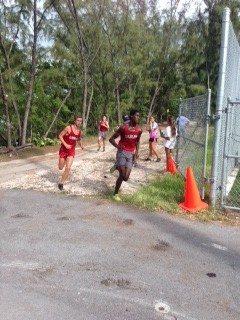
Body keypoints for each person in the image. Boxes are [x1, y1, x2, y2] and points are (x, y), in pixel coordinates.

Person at [109, 109, 142, 201]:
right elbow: (111, 139)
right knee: (122, 175)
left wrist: (136, 152)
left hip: (131, 154)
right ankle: (115, 194)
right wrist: (118, 147)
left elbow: (137, 141)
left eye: (139, 116)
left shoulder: (139, 130)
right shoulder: (123, 128)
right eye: (136, 115)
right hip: (122, 153)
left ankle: (116, 165)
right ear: (131, 116)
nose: (138, 117)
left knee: (126, 178)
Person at [58, 114, 84, 191]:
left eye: (81, 121)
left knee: (68, 167)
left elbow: (78, 139)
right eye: (78, 120)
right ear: (74, 121)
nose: (79, 122)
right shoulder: (68, 128)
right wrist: (65, 144)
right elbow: (60, 136)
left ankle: (61, 183)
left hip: (71, 151)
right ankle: (62, 163)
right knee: (60, 167)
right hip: (63, 150)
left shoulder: (80, 132)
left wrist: (81, 145)